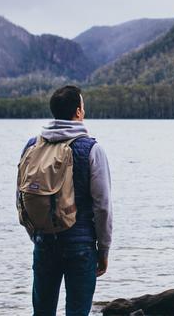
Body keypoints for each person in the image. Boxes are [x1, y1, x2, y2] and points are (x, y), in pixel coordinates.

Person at [21, 85, 112, 316]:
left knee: (42, 312)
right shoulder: (92, 149)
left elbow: (22, 197)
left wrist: (37, 234)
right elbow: (103, 207)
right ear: (79, 112)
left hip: (44, 242)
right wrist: (104, 249)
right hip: (80, 246)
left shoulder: (33, 146)